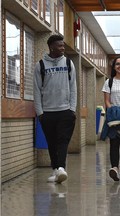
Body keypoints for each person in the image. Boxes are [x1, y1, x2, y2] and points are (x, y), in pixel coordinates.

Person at [33, 34, 77, 183]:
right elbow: (37, 90)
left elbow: (73, 88)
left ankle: (61, 168)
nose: (63, 48)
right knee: (51, 142)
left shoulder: (69, 63)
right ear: (51, 47)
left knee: (63, 140)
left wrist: (72, 109)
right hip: (47, 112)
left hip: (65, 111)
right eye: (60, 45)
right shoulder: (40, 65)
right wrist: (40, 113)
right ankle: (55, 171)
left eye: (63, 45)